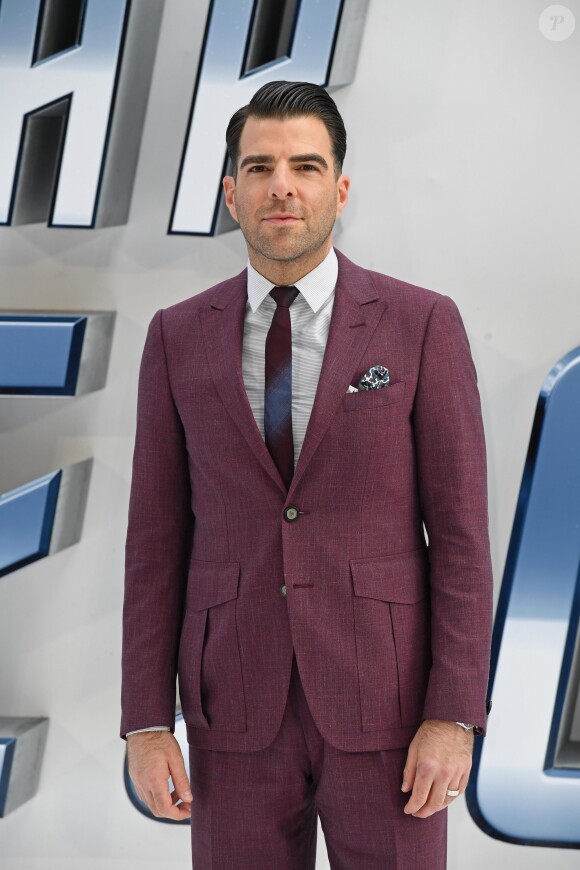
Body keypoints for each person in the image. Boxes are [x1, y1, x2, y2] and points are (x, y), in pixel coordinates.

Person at [121, 80, 493, 869]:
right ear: (231, 193)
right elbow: (155, 542)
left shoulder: (422, 323)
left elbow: (460, 537)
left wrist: (454, 716)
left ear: (340, 188)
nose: (281, 185)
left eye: (305, 166)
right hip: (233, 711)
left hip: (390, 714)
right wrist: (147, 722)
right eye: (258, 167)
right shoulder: (175, 337)